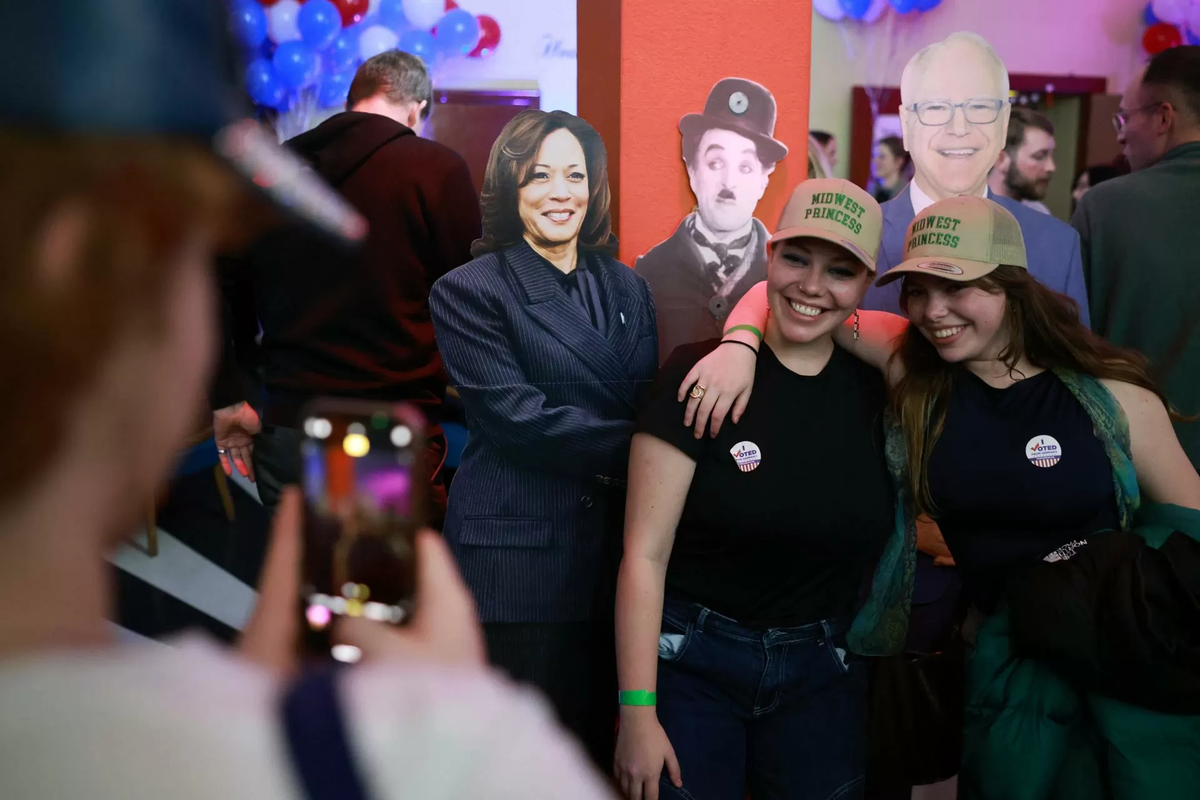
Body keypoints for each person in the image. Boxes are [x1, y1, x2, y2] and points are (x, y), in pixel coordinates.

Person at [0, 2, 612, 798]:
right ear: (81, 266)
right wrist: (424, 734)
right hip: (396, 436)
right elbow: (475, 285)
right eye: (190, 253)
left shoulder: (298, 153)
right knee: (370, 630)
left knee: (313, 619)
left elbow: (240, 299)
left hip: (287, 418)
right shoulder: (461, 755)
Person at [677, 196, 1200, 797]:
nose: (933, 310)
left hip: (1120, 670)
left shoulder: (1111, 399)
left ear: (1013, 288)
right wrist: (739, 345)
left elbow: (1193, 537)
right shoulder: (914, 371)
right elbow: (787, 297)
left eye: (957, 288)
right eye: (918, 290)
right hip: (1004, 673)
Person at [612, 179, 903, 800]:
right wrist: (636, 713)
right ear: (768, 257)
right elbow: (644, 555)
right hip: (693, 663)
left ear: (866, 284)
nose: (812, 285)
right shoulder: (697, 373)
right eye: (796, 258)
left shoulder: (880, 388)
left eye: (840, 271)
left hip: (823, 669)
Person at [429, 109, 659, 771]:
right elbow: (517, 419)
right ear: (511, 186)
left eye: (575, 175)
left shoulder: (629, 288)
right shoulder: (470, 290)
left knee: (588, 753)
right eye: (540, 176)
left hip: (609, 557)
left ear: (595, 189)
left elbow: (641, 397)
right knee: (514, 764)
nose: (561, 192)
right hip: (517, 559)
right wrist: (654, 458)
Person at [213, 50, 482, 523]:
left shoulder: (273, 171)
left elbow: (218, 289)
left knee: (298, 590)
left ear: (352, 98)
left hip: (286, 431)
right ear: (417, 107)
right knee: (382, 593)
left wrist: (228, 397)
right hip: (384, 434)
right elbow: (470, 298)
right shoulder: (435, 169)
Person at [1073, 45, 1200, 471]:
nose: (1120, 134)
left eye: (1125, 117)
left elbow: (1068, 341)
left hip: (1137, 465)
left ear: (1165, 117)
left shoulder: (1106, 206)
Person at [634, 78, 789, 363]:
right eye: (715, 163)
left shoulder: (785, 275)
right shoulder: (648, 271)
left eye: (745, 167)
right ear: (692, 168)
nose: (728, 182)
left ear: (764, 180)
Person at [987, 107, 1056, 215]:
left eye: (1051, 156)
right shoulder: (962, 213)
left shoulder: (1039, 213)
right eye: (1039, 156)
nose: (1051, 167)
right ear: (1001, 159)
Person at [872, 136, 911, 202]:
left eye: (882, 157)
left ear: (899, 161)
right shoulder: (871, 191)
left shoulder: (908, 197)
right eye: (874, 156)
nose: (876, 161)